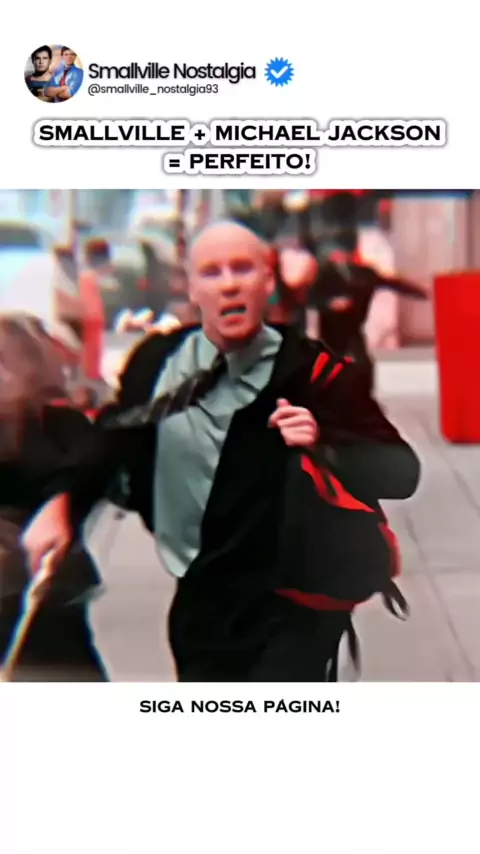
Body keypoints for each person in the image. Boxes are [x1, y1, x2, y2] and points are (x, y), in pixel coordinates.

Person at [22, 222, 421, 683]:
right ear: (192, 287)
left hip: (294, 609)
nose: (229, 284)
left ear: (268, 281)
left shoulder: (312, 370)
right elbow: (111, 443)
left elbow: (401, 471)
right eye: (212, 272)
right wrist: (62, 504)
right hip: (202, 607)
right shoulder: (157, 364)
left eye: (242, 269)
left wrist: (324, 441)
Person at [0, 313, 107, 681]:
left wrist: (59, 500)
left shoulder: (55, 428)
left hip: (40, 601)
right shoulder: (61, 429)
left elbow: (93, 460)